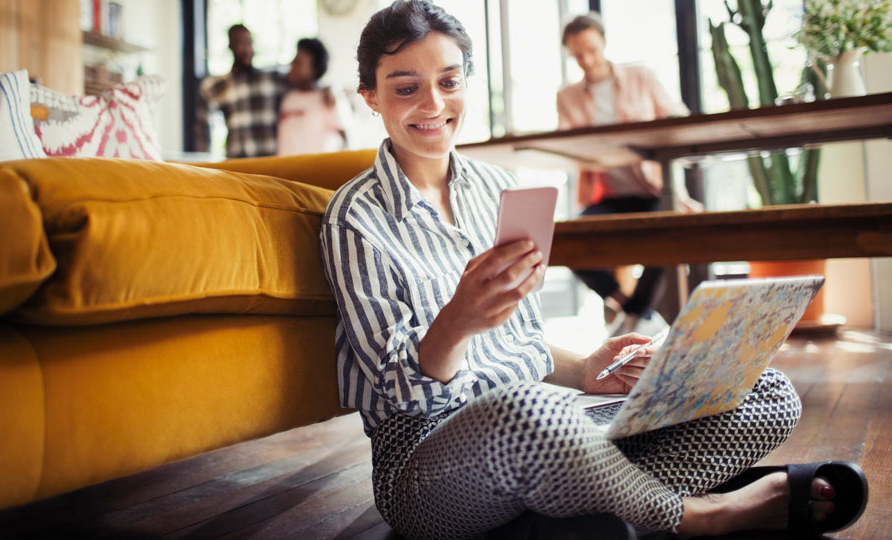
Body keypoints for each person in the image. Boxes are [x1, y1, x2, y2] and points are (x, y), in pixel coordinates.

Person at [319, 1, 864, 539]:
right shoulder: (355, 217)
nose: (433, 103)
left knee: (764, 389)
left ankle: (580, 510)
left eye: (450, 80)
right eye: (406, 87)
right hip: (427, 467)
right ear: (371, 96)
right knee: (527, 413)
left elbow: (517, 341)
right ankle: (704, 515)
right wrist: (457, 320)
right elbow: (402, 396)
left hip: (547, 436)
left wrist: (585, 371)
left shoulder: (494, 188)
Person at [557, 13, 703, 337]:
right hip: (607, 196)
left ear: (604, 43)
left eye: (592, 50)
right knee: (562, 240)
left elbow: (679, 119)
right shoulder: (567, 97)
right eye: (578, 55)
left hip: (654, 192)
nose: (587, 60)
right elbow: (567, 148)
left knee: (668, 229)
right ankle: (634, 308)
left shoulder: (641, 77)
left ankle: (636, 314)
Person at [195, 24, 287, 158]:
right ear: (230, 46)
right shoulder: (216, 86)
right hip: (238, 161)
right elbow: (202, 129)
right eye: (240, 43)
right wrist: (202, 164)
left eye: (249, 42)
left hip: (271, 161)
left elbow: (307, 83)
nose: (247, 49)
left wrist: (324, 91)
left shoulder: (273, 80)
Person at [277, 38, 351, 156]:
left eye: (298, 62)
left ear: (314, 70)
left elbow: (347, 139)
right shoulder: (287, 98)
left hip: (318, 171)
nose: (292, 64)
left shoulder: (329, 99)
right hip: (286, 171)